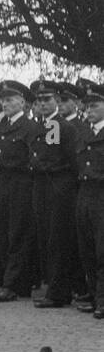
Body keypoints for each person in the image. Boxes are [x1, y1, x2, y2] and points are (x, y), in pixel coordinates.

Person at [30, 80, 79, 309]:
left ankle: (59, 292)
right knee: (45, 237)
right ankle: (53, 286)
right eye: (39, 100)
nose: (42, 104)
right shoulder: (39, 126)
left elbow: (74, 161)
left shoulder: (64, 127)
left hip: (59, 184)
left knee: (58, 239)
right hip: (41, 184)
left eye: (47, 99)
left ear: (57, 101)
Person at [0, 80, 38, 302]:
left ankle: (14, 283)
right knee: (3, 232)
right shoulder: (3, 125)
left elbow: (33, 159)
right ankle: (14, 280)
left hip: (20, 183)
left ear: (22, 102)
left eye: (9, 100)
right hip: (3, 183)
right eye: (3, 100)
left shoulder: (29, 127)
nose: (4, 103)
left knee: (18, 233)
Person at [73, 80, 104, 318]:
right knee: (87, 249)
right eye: (87, 106)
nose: (89, 110)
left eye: (94, 105)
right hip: (84, 192)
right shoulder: (83, 132)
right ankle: (94, 296)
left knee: (102, 249)